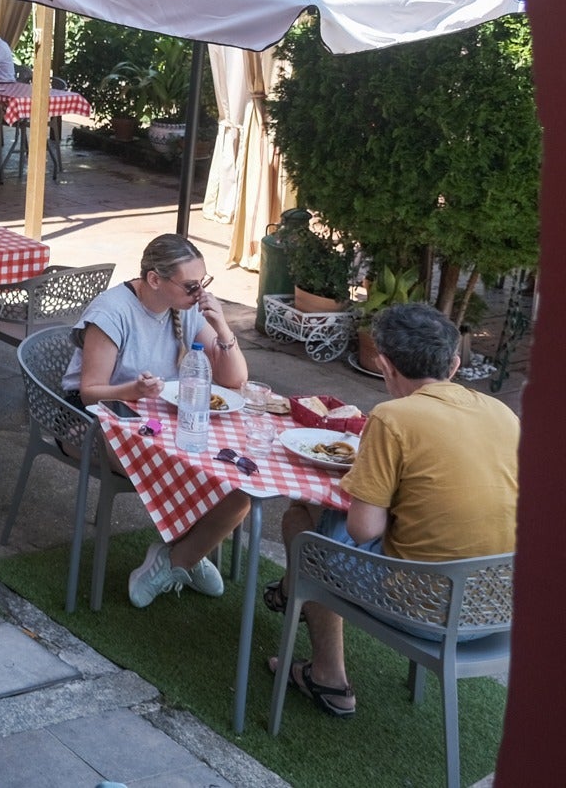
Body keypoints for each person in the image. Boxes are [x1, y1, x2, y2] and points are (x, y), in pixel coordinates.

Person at [265, 304, 518, 718]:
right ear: (454, 364)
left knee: (302, 524)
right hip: (498, 608)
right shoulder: (504, 415)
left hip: (427, 610)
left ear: (385, 365)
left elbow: (364, 530)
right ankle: (290, 591)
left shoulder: (392, 417)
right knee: (327, 523)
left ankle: (327, 674)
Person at [66, 233, 251, 607]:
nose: (200, 293)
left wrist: (224, 328)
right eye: (191, 285)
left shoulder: (186, 307)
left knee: (240, 485)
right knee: (198, 469)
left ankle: (180, 557)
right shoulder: (112, 311)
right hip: (93, 422)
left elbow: (235, 380)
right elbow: (89, 391)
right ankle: (186, 552)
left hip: (156, 419)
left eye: (204, 283)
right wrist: (132, 389)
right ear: (154, 280)